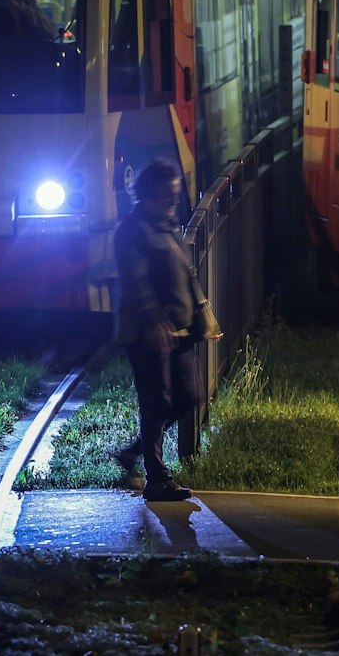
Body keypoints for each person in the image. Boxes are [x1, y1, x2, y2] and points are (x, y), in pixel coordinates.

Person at [110, 160, 219, 503]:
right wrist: (155, 320)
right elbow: (136, 281)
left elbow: (184, 274)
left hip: (180, 330)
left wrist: (199, 315)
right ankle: (157, 479)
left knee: (189, 396)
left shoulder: (168, 225)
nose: (174, 201)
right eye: (166, 195)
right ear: (147, 196)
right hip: (149, 333)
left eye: (175, 195)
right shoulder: (133, 231)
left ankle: (132, 452)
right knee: (156, 402)